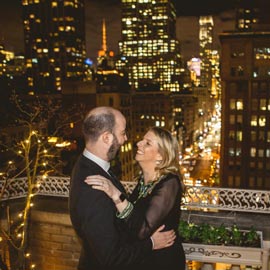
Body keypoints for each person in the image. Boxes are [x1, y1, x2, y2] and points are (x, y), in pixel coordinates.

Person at [69, 106, 176, 270]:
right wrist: (151, 243)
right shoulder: (93, 186)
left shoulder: (90, 168)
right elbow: (111, 258)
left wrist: (117, 196)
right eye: (122, 133)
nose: (126, 139)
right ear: (106, 138)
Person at [85, 126, 186, 269]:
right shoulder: (143, 183)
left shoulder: (170, 183)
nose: (139, 143)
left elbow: (142, 229)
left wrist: (115, 194)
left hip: (162, 261)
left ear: (160, 155)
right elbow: (131, 222)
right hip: (144, 258)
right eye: (142, 140)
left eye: (148, 143)